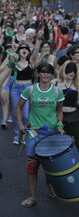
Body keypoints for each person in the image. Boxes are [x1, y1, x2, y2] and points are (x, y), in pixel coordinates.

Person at [16, 62, 65, 207]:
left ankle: (50, 186)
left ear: (52, 74)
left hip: (51, 133)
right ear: (38, 73)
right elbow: (19, 107)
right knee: (32, 166)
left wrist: (60, 123)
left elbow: (59, 111)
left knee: (51, 165)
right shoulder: (30, 90)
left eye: (48, 72)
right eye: (43, 71)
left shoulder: (57, 91)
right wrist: (20, 125)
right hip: (34, 133)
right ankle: (32, 197)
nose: (45, 74)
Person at [56, 61, 79, 144]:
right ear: (64, 70)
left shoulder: (77, 85)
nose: (72, 72)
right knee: (60, 144)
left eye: (74, 70)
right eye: (69, 69)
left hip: (75, 118)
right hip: (58, 117)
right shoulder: (55, 83)